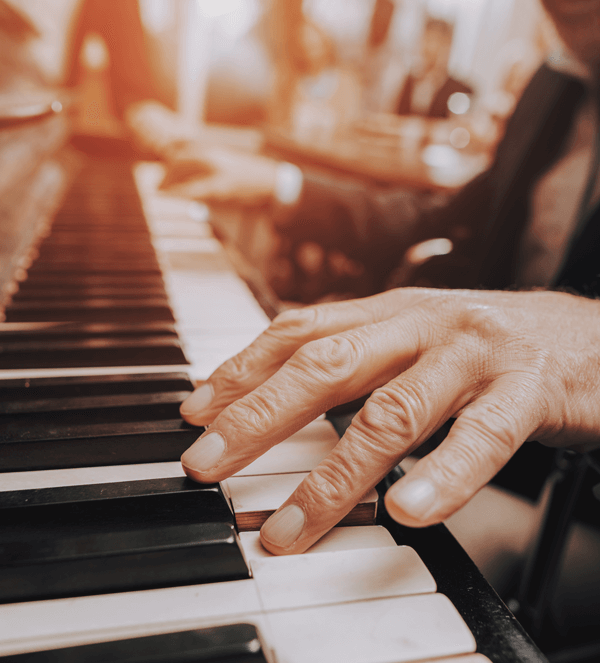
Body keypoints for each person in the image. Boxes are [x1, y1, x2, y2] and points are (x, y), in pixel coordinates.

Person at [176, 0, 600, 556]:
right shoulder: (555, 79)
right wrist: (284, 185)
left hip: (572, 506)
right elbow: (449, 216)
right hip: (455, 434)